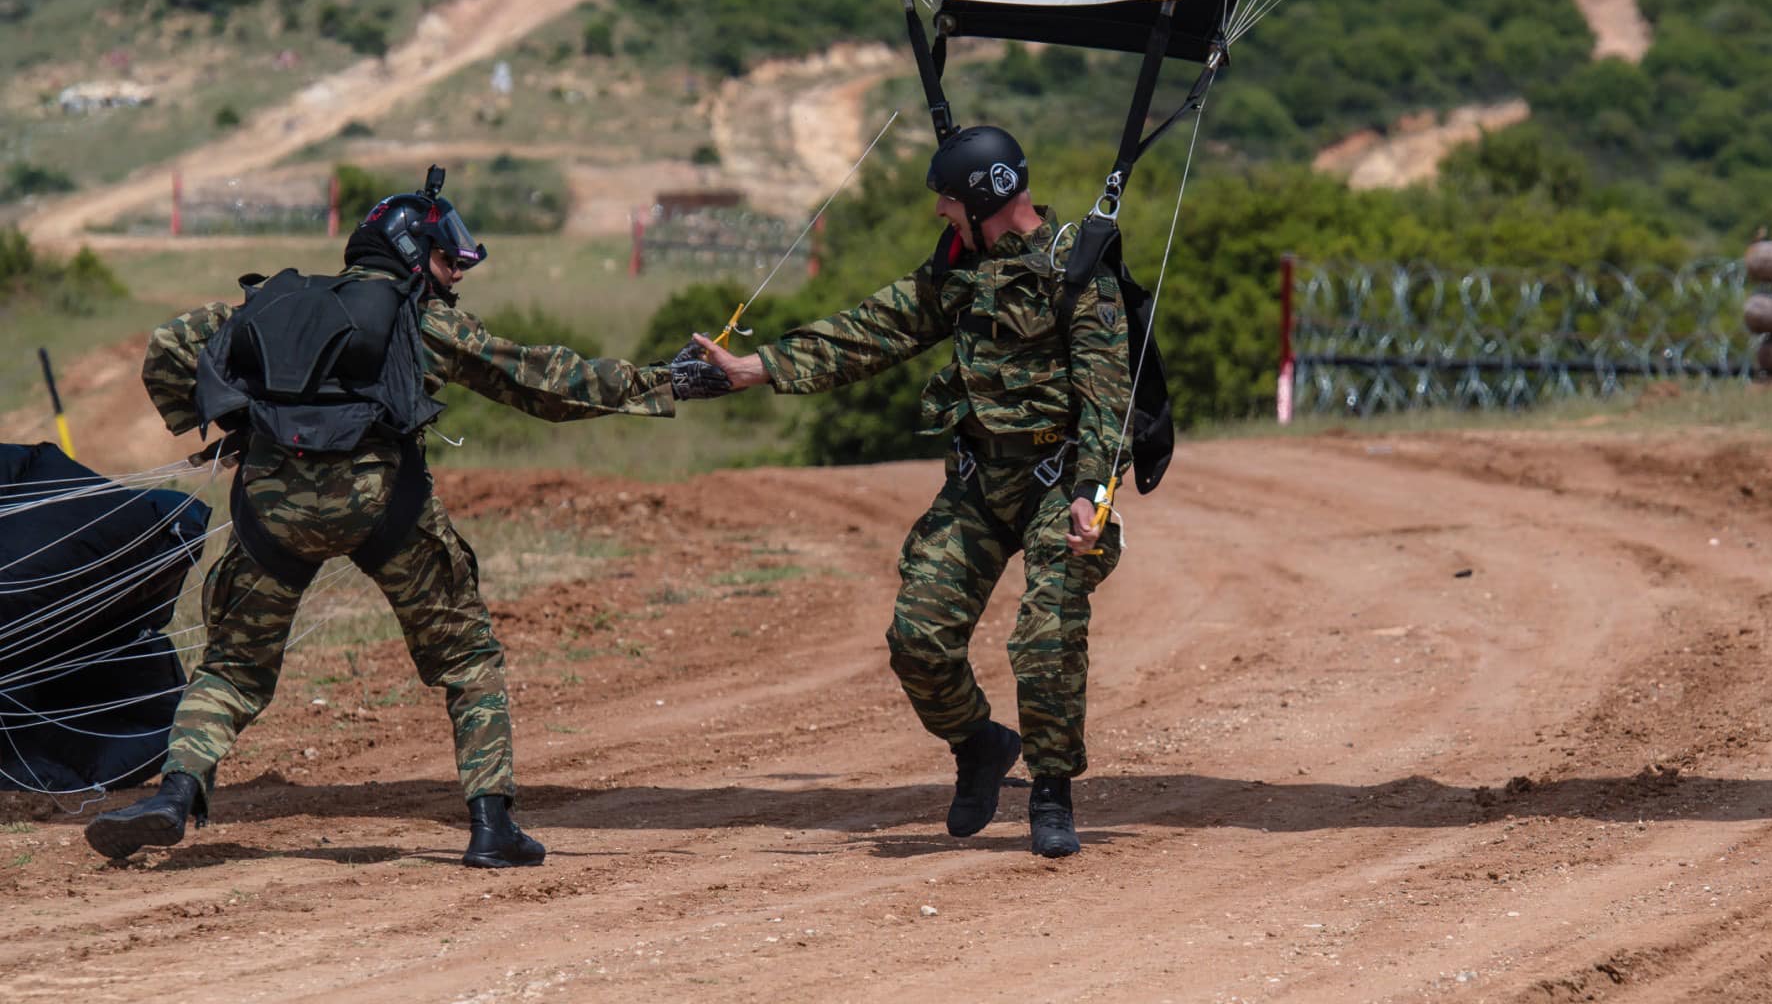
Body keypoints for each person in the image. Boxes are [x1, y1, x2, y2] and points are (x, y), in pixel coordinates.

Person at [84, 168, 729, 868]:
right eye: (449, 260)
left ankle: (176, 795)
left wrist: (230, 424)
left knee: (233, 667)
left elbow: (169, 347)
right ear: (411, 254)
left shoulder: (268, 304)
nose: (456, 274)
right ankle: (492, 826)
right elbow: (543, 381)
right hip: (383, 506)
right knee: (467, 657)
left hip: (271, 509)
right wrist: (669, 380)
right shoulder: (420, 320)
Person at [692, 126, 1130, 857]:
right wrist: (755, 368)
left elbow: (1107, 393)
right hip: (981, 479)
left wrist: (1094, 491)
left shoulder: (1075, 269)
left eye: (948, 201)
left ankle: (1053, 791)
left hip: (1061, 481)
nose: (940, 215)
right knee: (917, 637)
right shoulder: (957, 274)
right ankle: (979, 745)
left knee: (1046, 634)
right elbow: (867, 332)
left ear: (985, 195)